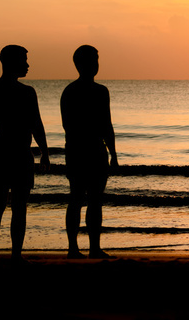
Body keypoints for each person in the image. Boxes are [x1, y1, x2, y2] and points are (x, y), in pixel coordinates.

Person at [0, 45, 50, 264]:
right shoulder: (25, 93)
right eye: (24, 60)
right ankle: (12, 255)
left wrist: (44, 151)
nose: (27, 65)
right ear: (11, 62)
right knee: (13, 207)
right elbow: (36, 124)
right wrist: (44, 152)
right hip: (17, 155)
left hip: (5, 154)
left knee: (1, 206)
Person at [61, 45, 118, 259]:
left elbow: (107, 124)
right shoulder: (72, 91)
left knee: (94, 200)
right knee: (77, 198)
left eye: (96, 60)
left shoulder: (100, 91)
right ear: (80, 64)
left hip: (93, 150)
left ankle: (93, 247)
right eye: (92, 60)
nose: (95, 65)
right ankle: (73, 248)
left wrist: (113, 153)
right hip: (80, 150)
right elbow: (70, 125)